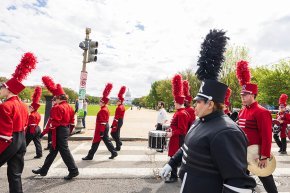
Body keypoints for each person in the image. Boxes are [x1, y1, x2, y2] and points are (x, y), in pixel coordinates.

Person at [160, 29, 256, 193]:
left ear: (210, 104)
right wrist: (171, 163)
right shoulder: (201, 121)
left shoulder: (226, 131)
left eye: (198, 102)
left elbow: (237, 183)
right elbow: (187, 147)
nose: (194, 106)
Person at [236, 60, 278, 193]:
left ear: (253, 95)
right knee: (241, 181)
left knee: (266, 177)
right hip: (243, 152)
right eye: (242, 94)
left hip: (256, 152)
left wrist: (264, 155)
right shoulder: (243, 110)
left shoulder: (261, 111)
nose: (242, 97)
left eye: (246, 94)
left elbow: (266, 135)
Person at [0, 52, 37, 193]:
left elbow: (4, 134)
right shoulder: (23, 105)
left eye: (2, 87)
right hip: (21, 139)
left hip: (9, 140)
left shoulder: (4, 106)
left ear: (8, 89)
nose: (1, 89)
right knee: (15, 175)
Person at [32, 78, 79, 180]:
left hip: (59, 130)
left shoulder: (57, 108)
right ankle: (44, 170)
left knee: (64, 151)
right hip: (64, 129)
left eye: (55, 98)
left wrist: (46, 132)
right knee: (53, 151)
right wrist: (68, 132)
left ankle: (73, 170)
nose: (54, 100)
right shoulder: (70, 107)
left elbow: (54, 123)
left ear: (58, 98)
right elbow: (72, 121)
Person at [164, 74, 189, 183]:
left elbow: (182, 130)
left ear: (178, 102)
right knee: (173, 156)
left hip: (178, 138)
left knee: (174, 156)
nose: (173, 103)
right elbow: (175, 125)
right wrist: (170, 129)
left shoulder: (182, 114)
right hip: (174, 137)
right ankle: (176, 174)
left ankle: (174, 176)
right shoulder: (178, 112)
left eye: (174, 102)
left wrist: (172, 133)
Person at [82, 83, 118, 160]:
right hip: (104, 127)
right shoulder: (105, 109)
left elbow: (103, 122)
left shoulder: (103, 110)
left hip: (102, 128)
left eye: (100, 102)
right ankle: (114, 152)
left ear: (103, 103)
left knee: (96, 141)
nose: (99, 102)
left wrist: (101, 131)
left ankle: (90, 156)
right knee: (106, 141)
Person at [26, 86, 42, 159]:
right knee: (37, 142)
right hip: (38, 128)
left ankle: (19, 154)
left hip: (32, 129)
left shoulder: (31, 115)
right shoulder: (37, 114)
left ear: (32, 108)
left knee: (25, 142)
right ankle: (39, 154)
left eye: (30, 107)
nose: (28, 108)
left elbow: (28, 124)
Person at [111, 86, 126, 151]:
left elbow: (116, 117)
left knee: (113, 133)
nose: (116, 102)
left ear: (120, 101)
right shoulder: (122, 106)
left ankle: (119, 143)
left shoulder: (119, 107)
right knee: (117, 134)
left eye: (117, 101)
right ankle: (118, 147)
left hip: (117, 121)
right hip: (121, 121)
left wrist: (113, 124)